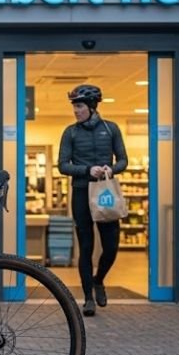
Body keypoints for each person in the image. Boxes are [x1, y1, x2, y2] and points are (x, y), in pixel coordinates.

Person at [57, 84, 127, 317]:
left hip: (105, 192)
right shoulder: (70, 133)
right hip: (81, 193)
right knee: (85, 248)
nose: (76, 111)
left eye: (79, 106)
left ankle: (99, 280)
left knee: (111, 247)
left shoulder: (111, 129)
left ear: (92, 106)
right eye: (75, 107)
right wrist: (88, 169)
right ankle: (88, 298)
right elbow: (63, 165)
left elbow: (123, 160)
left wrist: (111, 168)